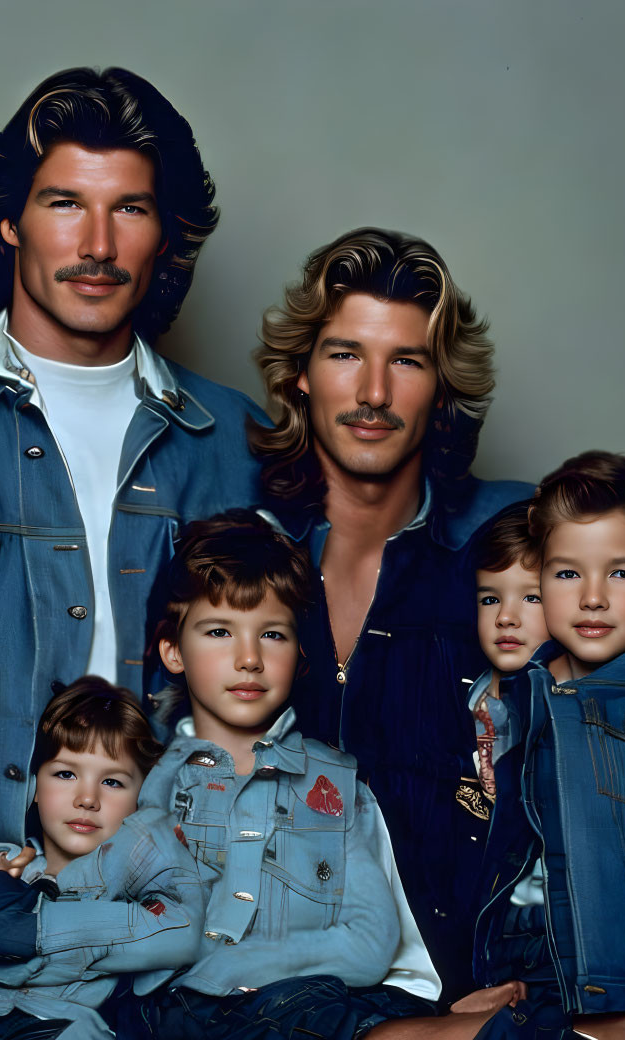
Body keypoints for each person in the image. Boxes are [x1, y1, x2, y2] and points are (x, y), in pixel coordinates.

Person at [0, 66, 266, 1005]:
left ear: (167, 237)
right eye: (65, 202)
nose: (98, 243)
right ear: (9, 221)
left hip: (176, 964)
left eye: (131, 210)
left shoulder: (234, 439)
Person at [248, 228, 530, 1000]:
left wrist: (527, 974)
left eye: (406, 361)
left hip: (461, 994)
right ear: (301, 375)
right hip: (268, 998)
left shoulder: (508, 568)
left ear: (441, 386)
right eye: (345, 355)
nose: (374, 392)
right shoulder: (241, 561)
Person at [134, 511, 458, 1039]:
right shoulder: (147, 788)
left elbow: (369, 944)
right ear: (173, 650)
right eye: (219, 631)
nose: (248, 659)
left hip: (316, 1008)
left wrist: (231, 969)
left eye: (273, 635)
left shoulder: (334, 787)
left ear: (298, 653)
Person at [469, 452, 625, 1040]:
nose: (592, 597)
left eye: (621, 573)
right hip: (513, 974)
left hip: (620, 992)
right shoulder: (519, 692)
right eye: (567, 573)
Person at [0, 678, 203, 1040]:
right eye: (66, 774)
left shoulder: (146, 892)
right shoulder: (7, 870)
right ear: (34, 786)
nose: (87, 798)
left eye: (113, 782)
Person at [468, 504, 550, 810]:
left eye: (532, 597)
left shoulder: (576, 704)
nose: (505, 617)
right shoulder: (458, 701)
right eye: (490, 599)